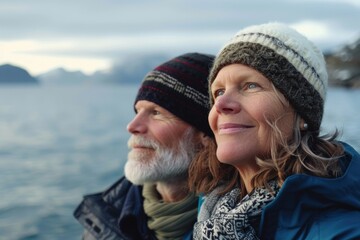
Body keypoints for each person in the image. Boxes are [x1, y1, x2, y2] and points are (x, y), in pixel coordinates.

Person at [189, 22, 360, 239]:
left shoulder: (344, 233)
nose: (221, 103)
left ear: (301, 113)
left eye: (250, 85)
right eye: (219, 91)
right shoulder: (207, 214)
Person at [73, 52, 215, 240]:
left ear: (204, 133)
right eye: (138, 111)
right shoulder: (106, 216)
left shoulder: (246, 221)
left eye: (156, 113)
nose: (132, 126)